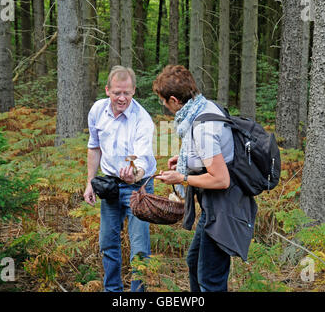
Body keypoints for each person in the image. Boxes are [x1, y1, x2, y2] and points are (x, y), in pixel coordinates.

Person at [154, 65, 257, 292]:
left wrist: (182, 177)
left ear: (173, 100)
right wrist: (187, 161)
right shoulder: (203, 107)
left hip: (226, 207)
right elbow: (213, 151)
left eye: (163, 101)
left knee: (211, 279)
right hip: (214, 206)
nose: (164, 106)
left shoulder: (202, 126)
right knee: (195, 263)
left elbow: (221, 179)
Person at [84, 65, 157, 292]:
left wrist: (134, 174)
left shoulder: (142, 120)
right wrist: (90, 182)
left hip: (138, 187)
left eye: (126, 92)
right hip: (110, 184)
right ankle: (112, 291)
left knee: (139, 248)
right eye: (117, 92)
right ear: (107, 90)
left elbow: (143, 161)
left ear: (134, 91)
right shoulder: (97, 111)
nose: (122, 98)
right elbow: (94, 148)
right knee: (108, 243)